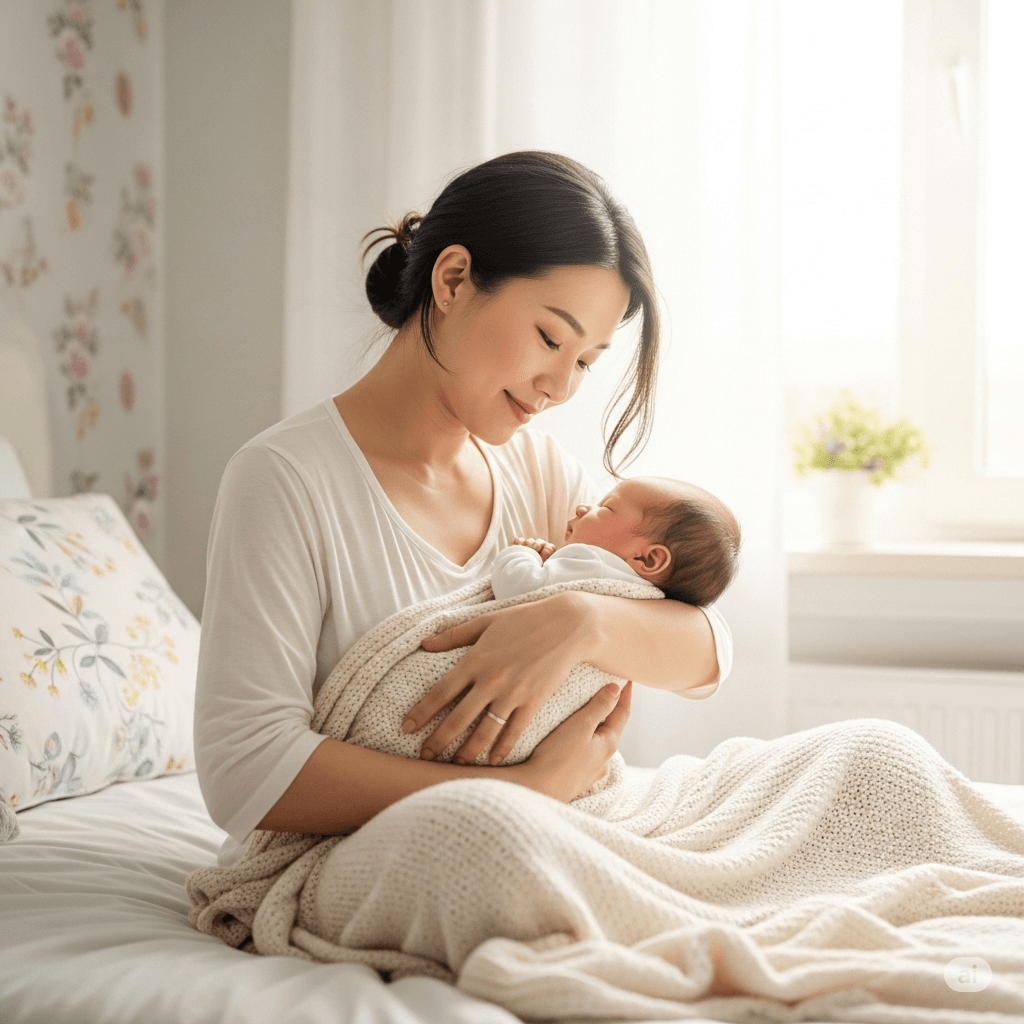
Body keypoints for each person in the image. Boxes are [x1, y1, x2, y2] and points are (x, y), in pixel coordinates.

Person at [193, 151, 733, 869]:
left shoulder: (535, 471)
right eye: (550, 338)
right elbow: (246, 774)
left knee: (871, 761)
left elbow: (707, 655)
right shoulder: (286, 480)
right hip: (413, 857)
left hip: (560, 827)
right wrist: (522, 797)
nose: (559, 387)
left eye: (584, 362)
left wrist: (578, 621)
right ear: (452, 280)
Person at [491, 475, 741, 607]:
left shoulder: (594, 565)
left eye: (606, 507)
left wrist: (522, 554)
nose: (581, 507)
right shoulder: (645, 604)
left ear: (648, 558)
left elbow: (517, 588)